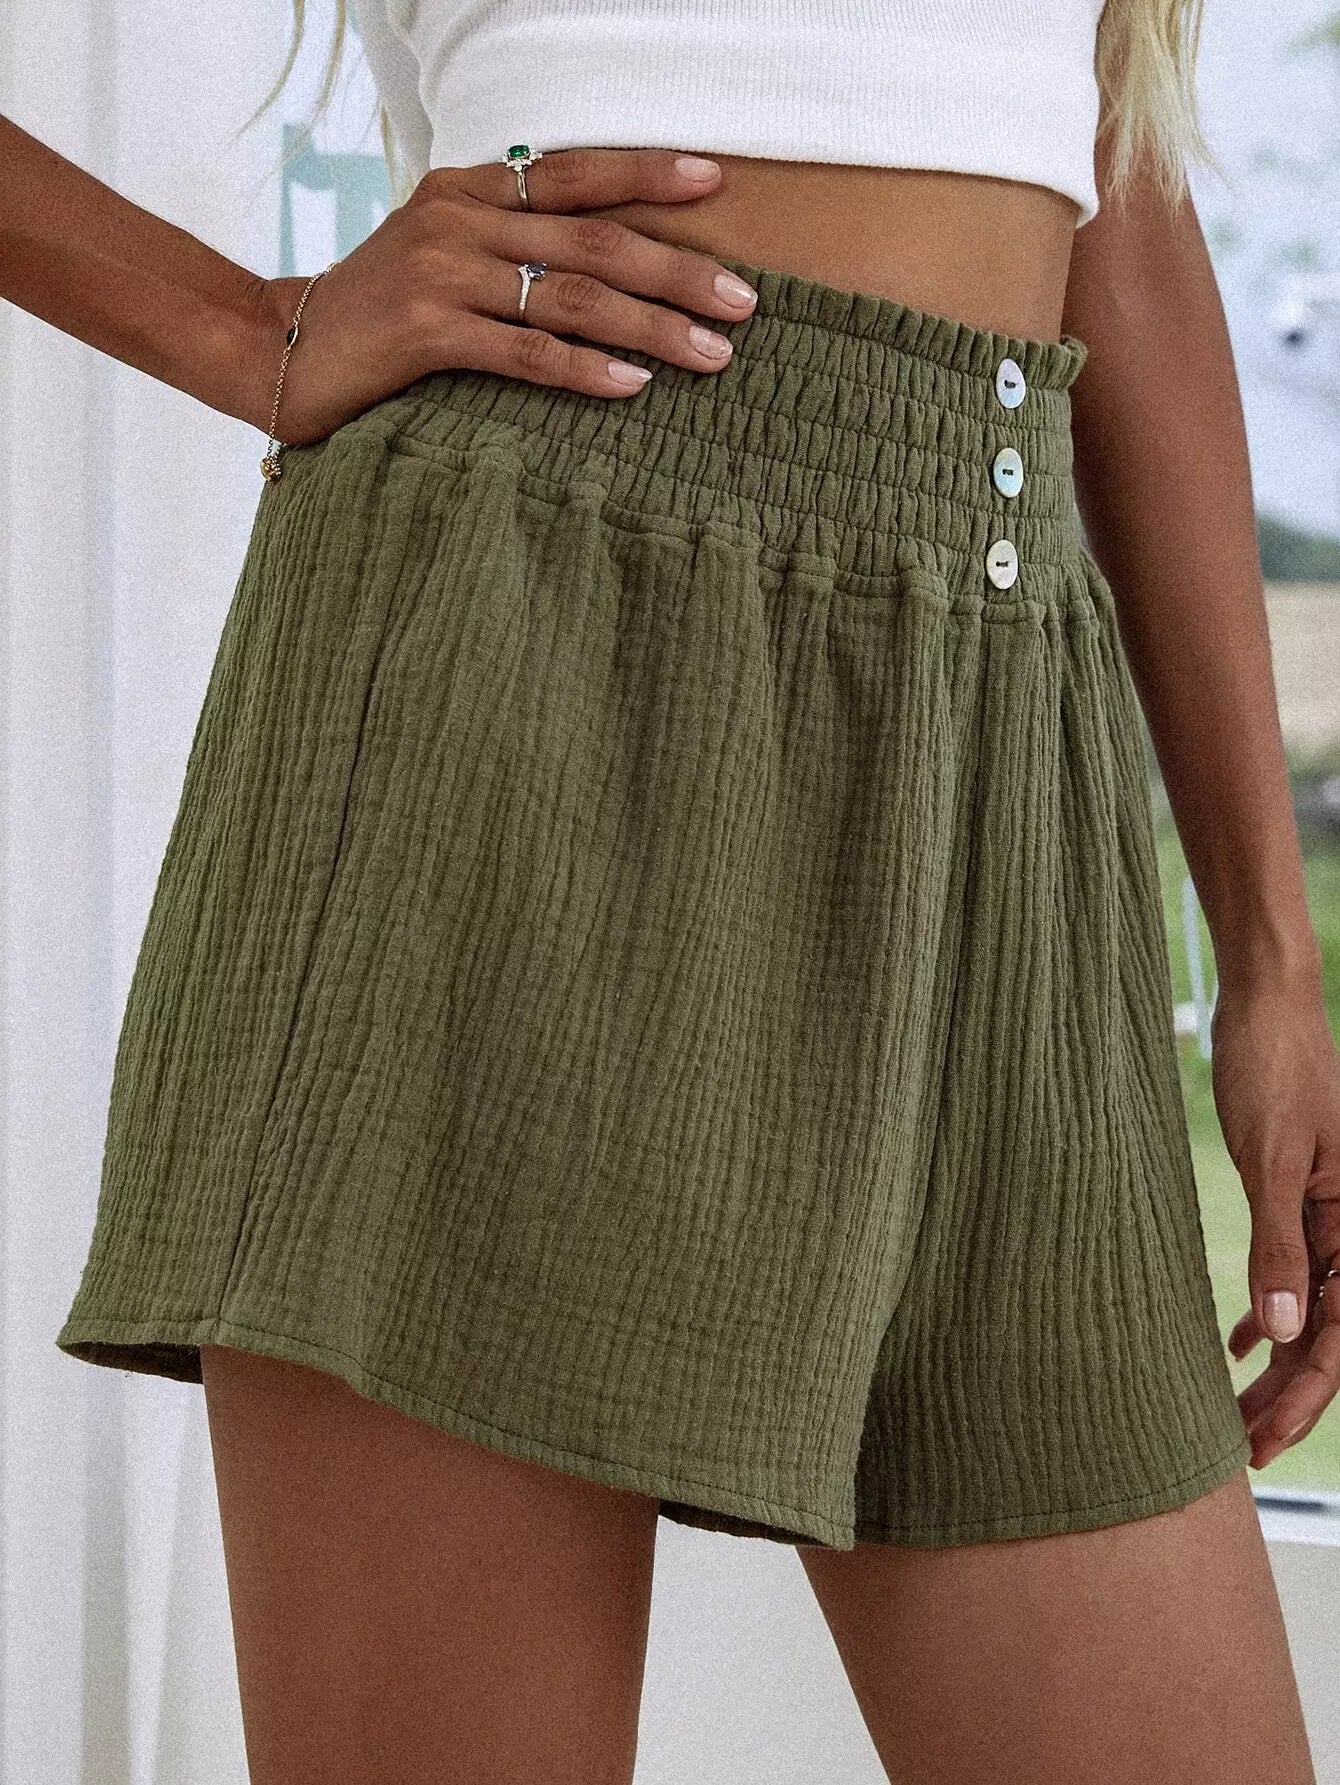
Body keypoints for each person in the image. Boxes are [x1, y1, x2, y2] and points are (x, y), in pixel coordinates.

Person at [16, 0, 1334, 1776]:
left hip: (991, 714)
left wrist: (1269, 957)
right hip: (513, 650)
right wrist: (247, 328)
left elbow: (1115, 178)